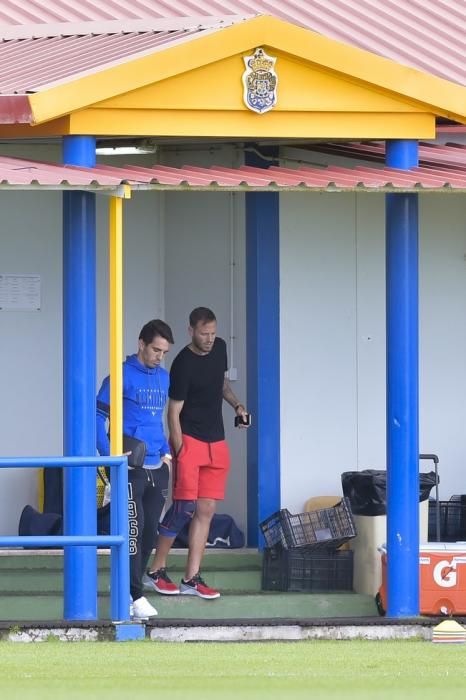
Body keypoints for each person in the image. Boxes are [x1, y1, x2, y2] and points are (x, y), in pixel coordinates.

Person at [146, 307, 249, 599]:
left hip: (217, 442)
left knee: (206, 510)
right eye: (204, 334)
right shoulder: (181, 364)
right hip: (189, 440)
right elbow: (173, 412)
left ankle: (191, 578)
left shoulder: (220, 349)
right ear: (191, 331)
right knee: (183, 509)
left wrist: (238, 406)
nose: (209, 339)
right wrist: (179, 450)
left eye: (213, 333)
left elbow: (221, 384)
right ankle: (156, 569)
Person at [96, 319, 174, 619]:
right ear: (141, 344)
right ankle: (134, 594)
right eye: (155, 349)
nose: (159, 356)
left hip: (157, 464)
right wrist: (109, 454)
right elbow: (95, 417)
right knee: (133, 530)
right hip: (130, 466)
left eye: (164, 351)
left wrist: (167, 452)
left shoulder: (163, 378)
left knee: (150, 532)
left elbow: (157, 420)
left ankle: (133, 590)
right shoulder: (120, 376)